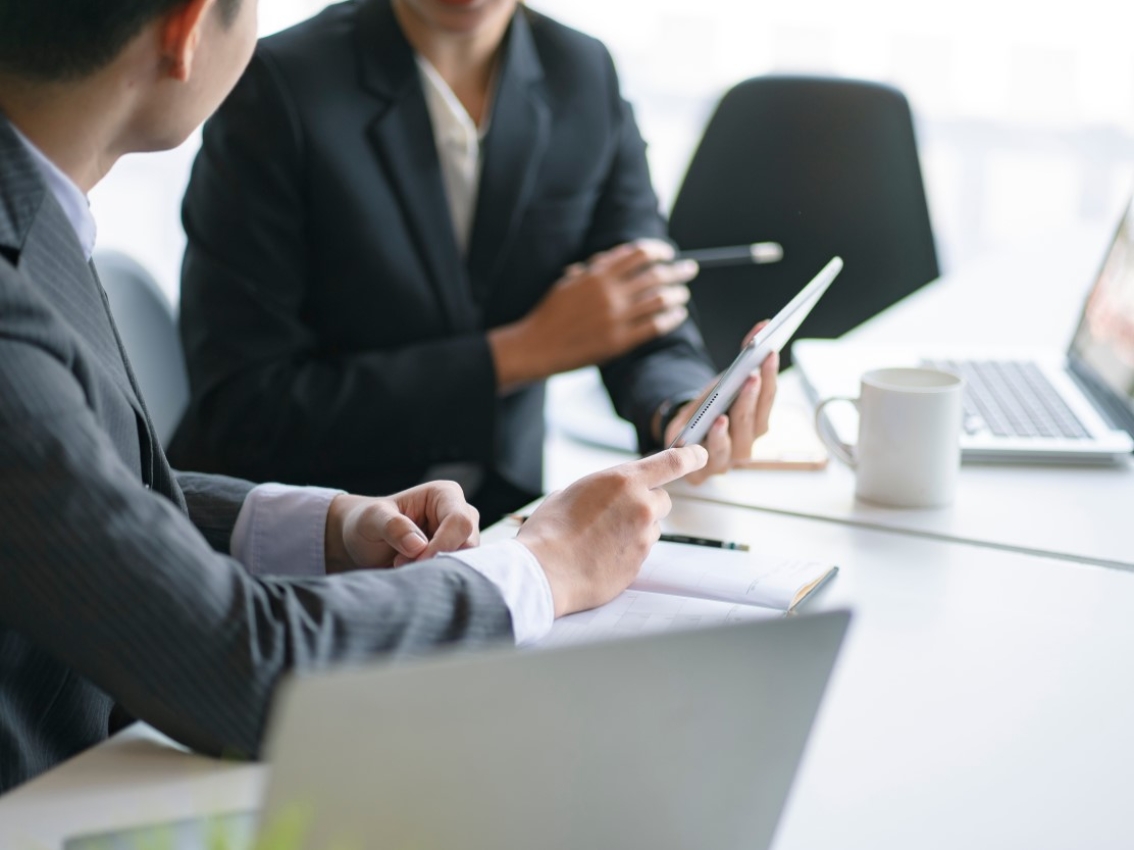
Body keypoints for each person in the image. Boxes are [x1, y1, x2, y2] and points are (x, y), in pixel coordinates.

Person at [0, 0, 710, 793]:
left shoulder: (37, 212)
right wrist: (543, 570)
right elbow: (239, 664)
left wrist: (329, 523)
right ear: (185, 32)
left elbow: (85, 490)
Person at [169, 0, 779, 523]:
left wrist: (680, 410)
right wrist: (520, 353)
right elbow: (244, 409)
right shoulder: (277, 86)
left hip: (503, 514)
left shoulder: (582, 72)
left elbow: (638, 300)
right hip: (304, 525)